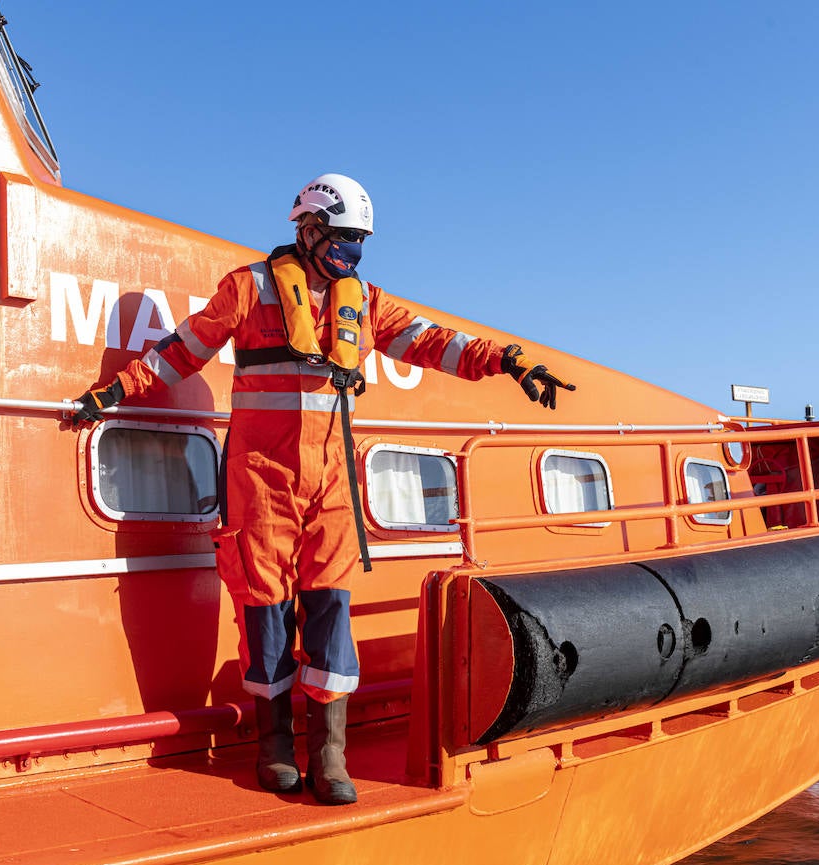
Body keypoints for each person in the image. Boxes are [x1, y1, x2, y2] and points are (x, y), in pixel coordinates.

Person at [70, 174, 574, 805]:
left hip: (332, 479)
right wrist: (114, 390)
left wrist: (508, 359)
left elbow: (433, 342)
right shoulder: (248, 289)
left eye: (358, 240)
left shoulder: (361, 302)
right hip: (262, 474)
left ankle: (329, 753)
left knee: (331, 611)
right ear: (306, 229)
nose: (350, 251)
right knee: (266, 610)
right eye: (340, 237)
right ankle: (275, 745)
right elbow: (184, 349)